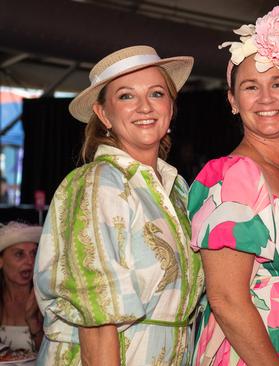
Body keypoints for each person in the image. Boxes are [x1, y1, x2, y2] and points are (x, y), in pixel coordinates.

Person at [34, 46, 204, 365]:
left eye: (156, 93)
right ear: (103, 114)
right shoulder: (96, 184)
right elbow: (97, 322)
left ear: (171, 105)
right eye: (126, 96)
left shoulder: (179, 190)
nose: (144, 107)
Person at [188, 6, 279, 365]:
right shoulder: (230, 176)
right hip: (248, 355)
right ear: (233, 101)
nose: (266, 99)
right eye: (251, 87)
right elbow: (226, 301)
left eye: (278, 84)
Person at [0, 222, 42, 355]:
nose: (30, 261)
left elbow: (54, 357)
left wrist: (34, 324)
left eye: (33, 253)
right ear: (1, 261)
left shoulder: (44, 300)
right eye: (19, 254)